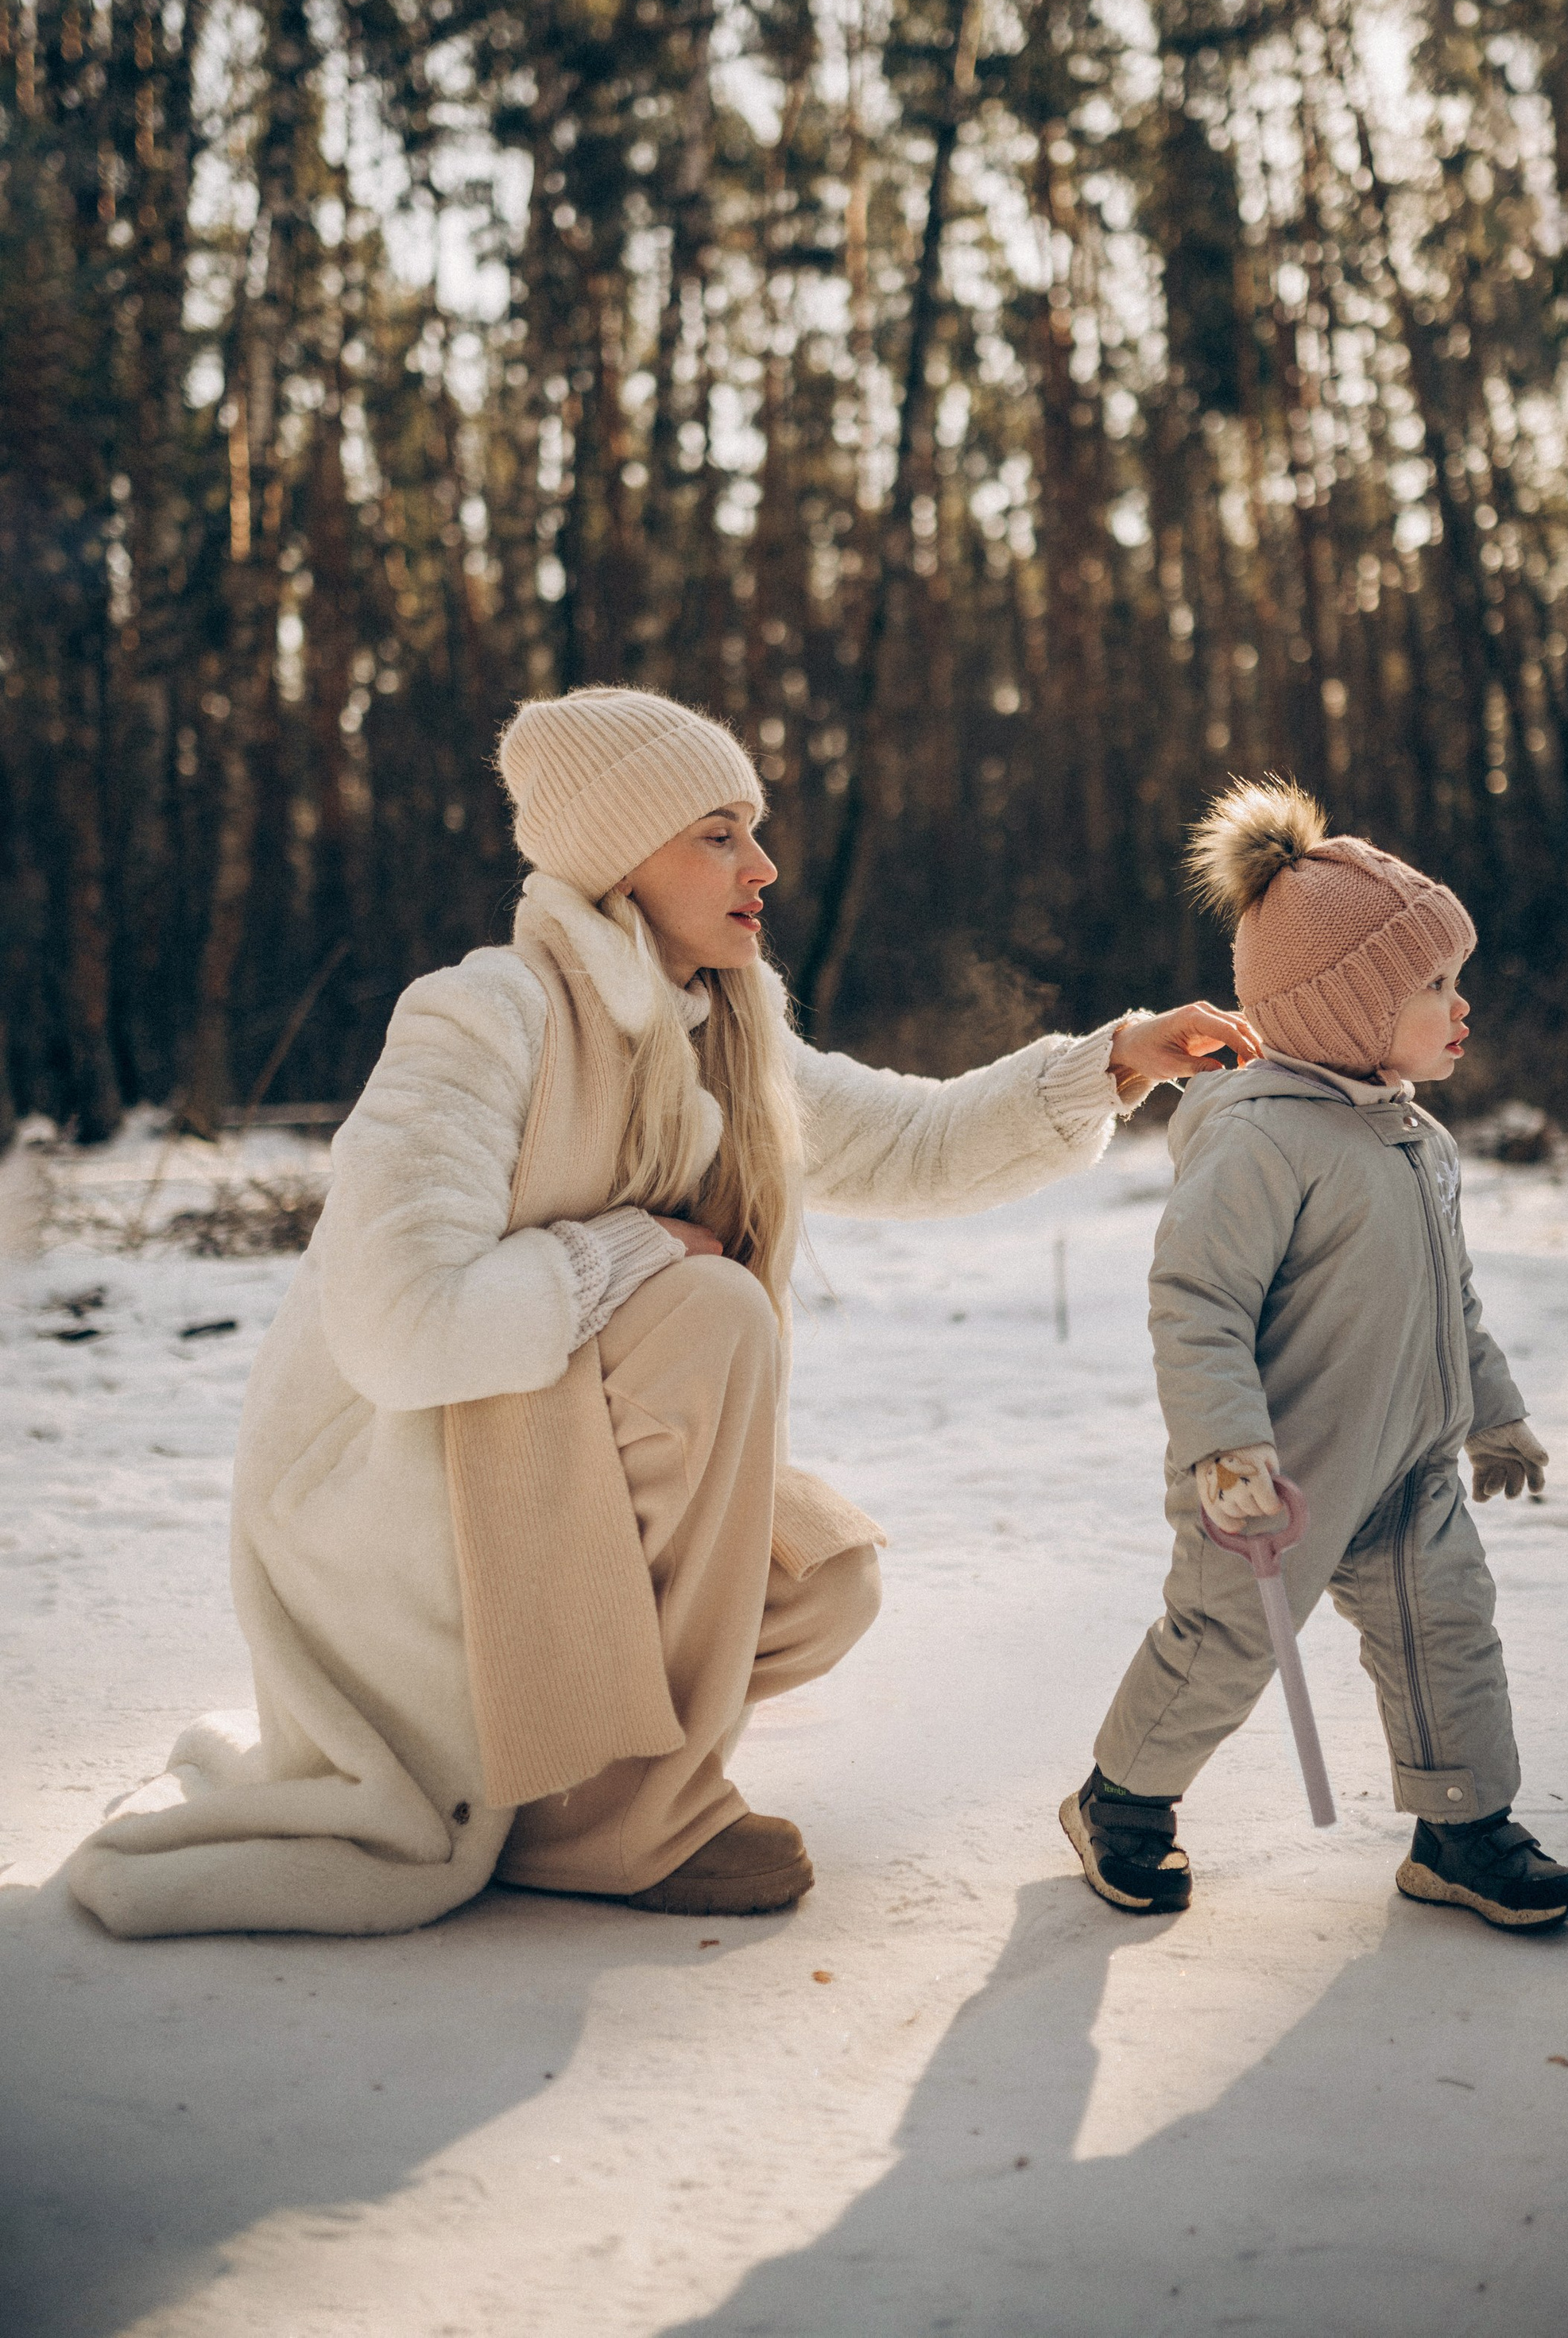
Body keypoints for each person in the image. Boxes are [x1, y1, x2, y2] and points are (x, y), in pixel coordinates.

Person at [68, 688, 1255, 1940]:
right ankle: (615, 1826)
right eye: (718, 834)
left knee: (825, 1582)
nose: (764, 864)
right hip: (397, 1498)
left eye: (754, 828)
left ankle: (541, 1774)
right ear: (617, 859)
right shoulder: (484, 1017)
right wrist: (623, 1253)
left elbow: (906, 1141)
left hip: (550, 1470)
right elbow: (397, 1323)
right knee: (707, 1308)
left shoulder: (728, 1027)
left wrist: (1120, 1059)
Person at [1059, 777, 1568, 1933]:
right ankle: (1123, 1803)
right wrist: (1227, 1450)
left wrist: (1492, 1410)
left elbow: (1451, 1300)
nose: (1461, 1009)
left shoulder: (1415, 1137)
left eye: (1458, 981)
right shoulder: (1260, 1139)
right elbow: (1196, 1303)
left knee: (1448, 1629)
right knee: (1224, 1646)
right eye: (1431, 987)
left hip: (1408, 1465)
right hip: (1272, 1478)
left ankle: (1462, 1826)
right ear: (1344, 1008)